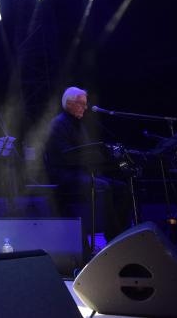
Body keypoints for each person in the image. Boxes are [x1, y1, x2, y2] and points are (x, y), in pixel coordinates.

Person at [44, 86, 132, 242]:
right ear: (69, 103)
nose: (85, 107)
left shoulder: (79, 124)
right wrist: (92, 159)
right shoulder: (58, 124)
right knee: (103, 186)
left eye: (85, 104)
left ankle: (122, 234)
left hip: (81, 173)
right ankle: (114, 237)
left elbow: (87, 151)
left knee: (122, 188)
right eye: (81, 103)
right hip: (65, 176)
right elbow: (65, 156)